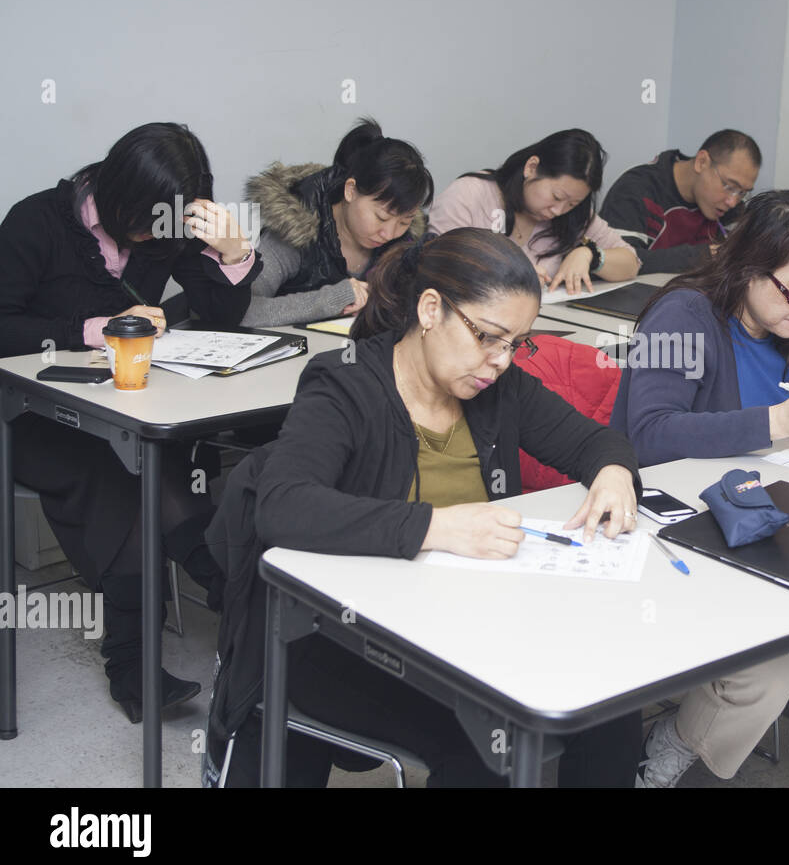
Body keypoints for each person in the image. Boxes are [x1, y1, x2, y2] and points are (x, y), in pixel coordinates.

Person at [206, 227, 645, 786]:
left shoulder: (495, 387)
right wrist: (437, 526)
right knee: (490, 748)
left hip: (462, 624)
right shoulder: (346, 385)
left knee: (610, 703)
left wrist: (612, 474)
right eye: (488, 337)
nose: (501, 360)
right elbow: (284, 506)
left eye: (515, 343)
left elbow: (594, 441)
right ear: (431, 309)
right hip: (340, 636)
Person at [611, 190, 789, 788]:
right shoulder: (686, 316)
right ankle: (669, 748)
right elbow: (648, 437)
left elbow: (785, 428)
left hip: (760, 513)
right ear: (747, 266)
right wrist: (780, 423)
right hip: (674, 524)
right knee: (761, 677)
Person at [0, 121, 260, 721]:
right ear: (115, 190)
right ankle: (180, 626)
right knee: (121, 470)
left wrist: (234, 252)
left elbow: (224, 314)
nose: (151, 237)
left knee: (144, 454)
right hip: (37, 413)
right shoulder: (36, 222)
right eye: (143, 222)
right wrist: (92, 331)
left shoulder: (165, 224)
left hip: (125, 405)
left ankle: (179, 630)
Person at [240, 117, 432, 327]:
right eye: (381, 217)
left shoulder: (406, 244)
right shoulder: (296, 229)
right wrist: (332, 299)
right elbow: (244, 310)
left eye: (405, 221)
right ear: (350, 190)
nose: (389, 233)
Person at [426, 129, 639, 294]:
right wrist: (509, 276)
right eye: (556, 197)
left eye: (572, 204)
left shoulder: (573, 217)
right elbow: (436, 267)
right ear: (531, 167)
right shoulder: (469, 195)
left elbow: (631, 263)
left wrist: (589, 255)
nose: (559, 211)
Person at [599, 129, 760, 275]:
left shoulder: (729, 205)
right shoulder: (638, 189)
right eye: (729, 186)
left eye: (742, 192)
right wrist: (703, 256)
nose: (732, 201)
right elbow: (615, 260)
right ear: (701, 162)